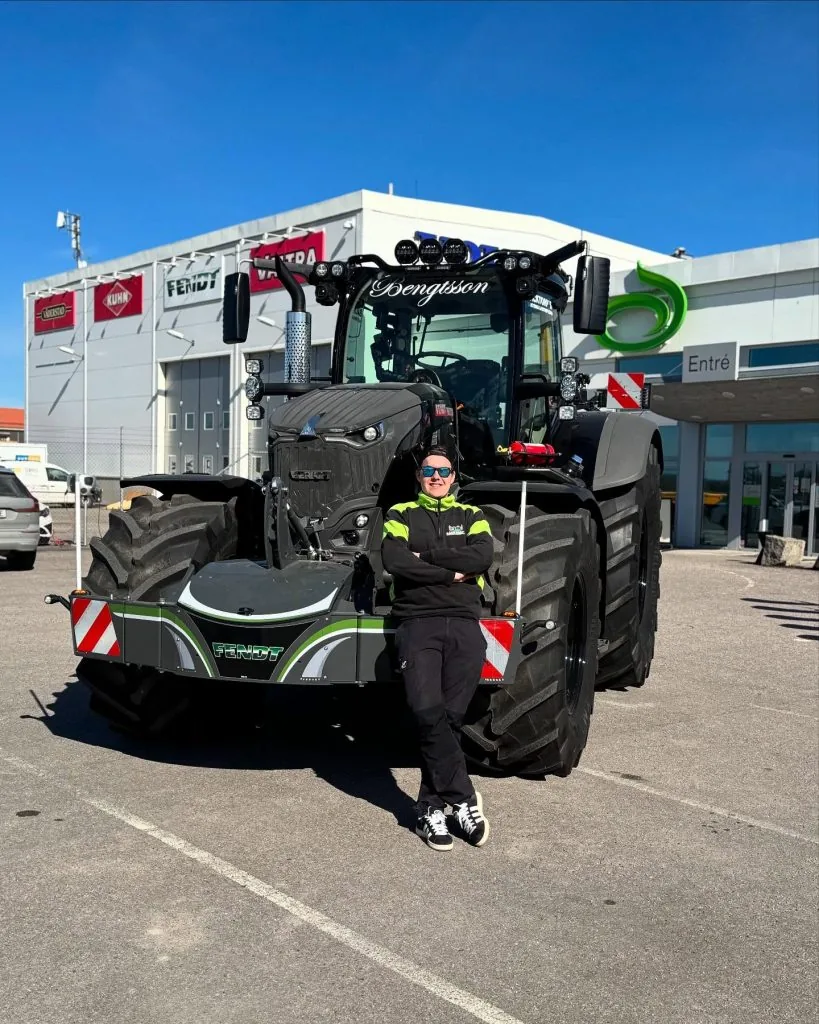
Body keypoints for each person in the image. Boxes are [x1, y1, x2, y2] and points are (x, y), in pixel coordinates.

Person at [381, 445, 494, 851]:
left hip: (465, 625)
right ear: (419, 476)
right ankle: (464, 798)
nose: (436, 477)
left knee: (449, 717)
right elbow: (394, 559)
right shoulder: (400, 514)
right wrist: (453, 570)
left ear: (453, 477)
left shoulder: (472, 516)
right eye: (428, 470)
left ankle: (430, 809)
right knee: (426, 712)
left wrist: (425, 558)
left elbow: (482, 555)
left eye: (443, 471)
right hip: (418, 623)